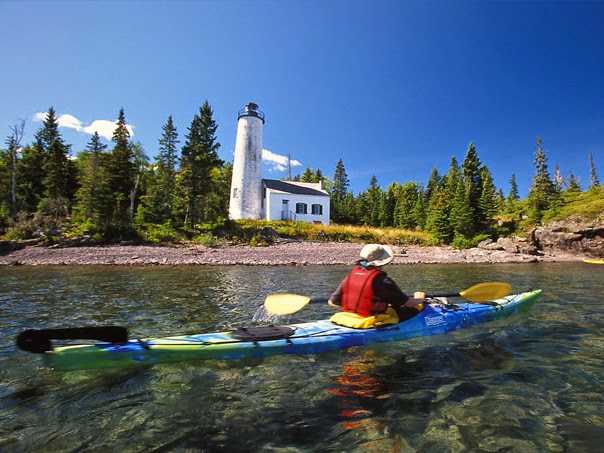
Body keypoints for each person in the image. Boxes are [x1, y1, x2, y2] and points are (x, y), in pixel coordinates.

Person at [328, 244, 425, 326]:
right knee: (413, 310)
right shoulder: (383, 281)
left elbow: (332, 302)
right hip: (370, 320)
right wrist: (420, 299)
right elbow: (409, 303)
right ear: (382, 261)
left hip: (348, 318)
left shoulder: (350, 275)